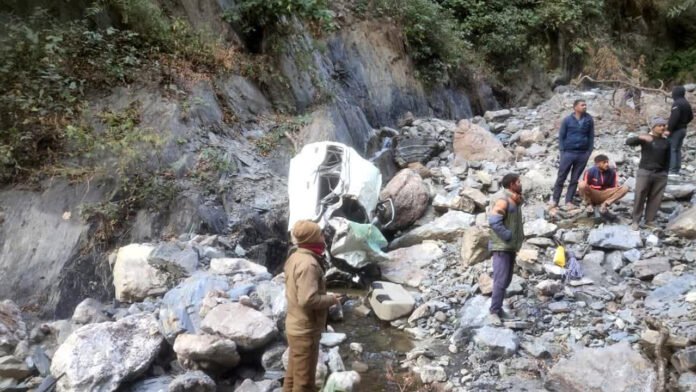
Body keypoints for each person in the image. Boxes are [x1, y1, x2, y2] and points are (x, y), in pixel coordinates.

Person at [284, 220, 339, 392]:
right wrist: (331, 299)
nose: (323, 237)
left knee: (293, 376)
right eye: (320, 234)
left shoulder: (295, 256)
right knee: (305, 383)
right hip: (305, 331)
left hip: (294, 326)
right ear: (312, 238)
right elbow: (307, 300)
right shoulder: (309, 264)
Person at [487, 173, 524, 325]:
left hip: (509, 247)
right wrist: (507, 235)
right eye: (519, 182)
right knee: (501, 280)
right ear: (512, 184)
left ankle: (499, 309)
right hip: (502, 246)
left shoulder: (514, 199)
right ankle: (494, 312)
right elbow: (494, 221)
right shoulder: (503, 199)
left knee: (506, 280)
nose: (521, 184)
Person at [626, 117, 671, 230]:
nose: (662, 127)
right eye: (659, 125)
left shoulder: (666, 141)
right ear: (653, 127)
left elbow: (668, 159)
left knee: (656, 197)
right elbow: (629, 142)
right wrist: (640, 137)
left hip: (660, 174)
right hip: (645, 171)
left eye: (663, 125)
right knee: (640, 195)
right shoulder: (647, 138)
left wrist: (665, 173)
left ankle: (649, 220)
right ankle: (635, 220)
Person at [551, 99, 595, 211]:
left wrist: (588, 152)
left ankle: (568, 201)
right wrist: (562, 151)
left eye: (585, 105)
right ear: (575, 107)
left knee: (575, 179)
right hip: (568, 152)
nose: (585, 107)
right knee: (561, 176)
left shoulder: (589, 119)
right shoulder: (567, 120)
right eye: (582, 105)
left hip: (582, 154)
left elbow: (591, 136)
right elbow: (561, 136)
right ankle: (554, 201)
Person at [667, 85, 693, 177]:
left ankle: (673, 170)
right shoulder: (686, 103)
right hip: (683, 129)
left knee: (673, 149)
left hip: (676, 130)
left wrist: (669, 130)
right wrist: (684, 123)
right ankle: (677, 169)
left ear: (675, 93)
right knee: (677, 149)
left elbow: (674, 118)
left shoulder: (677, 103)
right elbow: (691, 117)